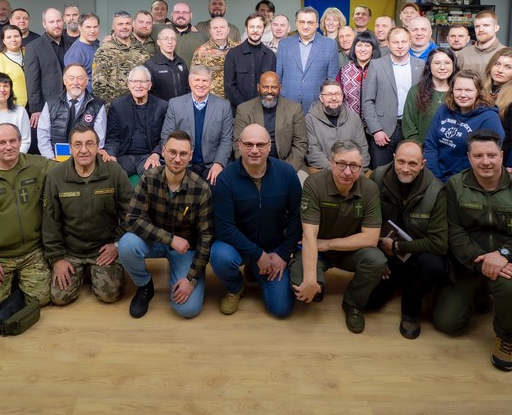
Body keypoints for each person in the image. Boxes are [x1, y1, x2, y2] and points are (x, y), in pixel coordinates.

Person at [433, 130, 512, 372]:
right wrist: (480, 261)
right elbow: (454, 232)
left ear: (501, 156)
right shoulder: (455, 186)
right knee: (447, 323)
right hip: (471, 262)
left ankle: (508, 338)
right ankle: (482, 293)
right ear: (469, 157)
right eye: (478, 156)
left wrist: (505, 254)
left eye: (491, 155)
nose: (485, 161)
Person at [291, 140, 385, 334]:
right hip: (317, 250)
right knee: (302, 286)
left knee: (377, 260)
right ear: (330, 162)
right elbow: (309, 235)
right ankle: (318, 283)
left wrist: (327, 244)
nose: (347, 172)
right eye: (341, 164)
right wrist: (310, 280)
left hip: (349, 251)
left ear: (361, 166)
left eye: (354, 166)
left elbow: (370, 239)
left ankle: (353, 303)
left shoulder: (369, 188)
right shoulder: (314, 183)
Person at [0, 123, 56, 315]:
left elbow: (67, 168)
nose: (8, 146)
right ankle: (11, 284)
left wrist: (97, 156)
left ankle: (17, 284)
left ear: (20, 142)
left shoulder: (36, 165)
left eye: (13, 141)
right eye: (2, 142)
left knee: (41, 300)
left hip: (32, 252)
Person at [210, 124, 302, 317]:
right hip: (238, 247)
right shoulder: (225, 179)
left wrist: (284, 254)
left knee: (281, 309)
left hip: (274, 248)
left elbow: (297, 218)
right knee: (220, 256)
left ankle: (254, 270)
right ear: (239, 145)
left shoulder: (287, 174)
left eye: (260, 145)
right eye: (248, 144)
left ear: (269, 146)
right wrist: (258, 254)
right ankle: (236, 287)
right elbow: (224, 227)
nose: (254, 150)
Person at [119, 130, 213, 319]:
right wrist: (170, 239)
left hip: (185, 249)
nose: (177, 159)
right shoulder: (149, 178)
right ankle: (145, 286)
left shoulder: (201, 189)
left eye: (183, 154)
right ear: (163, 152)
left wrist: (190, 279)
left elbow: (206, 238)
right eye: (172, 152)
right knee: (126, 244)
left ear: (190, 156)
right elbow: (132, 220)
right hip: (155, 241)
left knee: (188, 309)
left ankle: (179, 271)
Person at [43, 126, 132, 306]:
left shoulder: (114, 171)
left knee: (108, 296)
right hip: (71, 250)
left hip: (103, 249)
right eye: (78, 144)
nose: (84, 150)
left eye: (90, 144)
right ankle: (85, 271)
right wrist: (57, 258)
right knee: (59, 298)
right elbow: (50, 220)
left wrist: (117, 244)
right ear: (70, 148)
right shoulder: (56, 176)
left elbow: (130, 212)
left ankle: (94, 271)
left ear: (98, 147)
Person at [367, 141, 447, 339]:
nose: (405, 168)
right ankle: (397, 280)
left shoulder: (437, 191)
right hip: (385, 251)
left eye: (413, 163)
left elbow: (439, 243)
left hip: (417, 254)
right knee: (368, 303)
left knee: (434, 265)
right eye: (401, 161)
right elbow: (366, 220)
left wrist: (398, 246)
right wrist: (378, 255)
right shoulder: (378, 177)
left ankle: (411, 306)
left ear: (423, 164)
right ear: (394, 158)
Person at [424, 69, 505, 182]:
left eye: (468, 90)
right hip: (435, 175)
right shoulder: (443, 110)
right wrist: (435, 176)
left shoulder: (489, 118)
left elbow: (486, 158)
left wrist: (455, 182)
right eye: (458, 89)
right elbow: (430, 145)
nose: (462, 95)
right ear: (452, 90)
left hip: (467, 180)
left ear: (478, 92)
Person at [362, 26, 425, 168]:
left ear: (410, 42)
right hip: (383, 130)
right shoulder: (376, 65)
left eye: (404, 41)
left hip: (411, 129)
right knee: (380, 172)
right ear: (388, 43)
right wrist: (376, 130)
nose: (400, 46)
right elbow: (367, 101)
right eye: (396, 42)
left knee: (408, 170)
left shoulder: (421, 66)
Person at [160, 65, 233, 185]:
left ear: (210, 83)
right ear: (190, 82)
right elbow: (166, 136)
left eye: (205, 80)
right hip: (183, 163)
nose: (201, 84)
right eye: (197, 80)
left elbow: (226, 139)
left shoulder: (223, 106)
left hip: (211, 165)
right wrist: (177, 160)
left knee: (218, 187)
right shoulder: (175, 104)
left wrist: (218, 163)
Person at [232, 71, 307, 173]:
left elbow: (300, 144)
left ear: (280, 88)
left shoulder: (295, 109)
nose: (269, 91)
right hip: (253, 164)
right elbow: (238, 145)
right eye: (265, 87)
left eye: (274, 87)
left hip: (288, 164)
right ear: (258, 87)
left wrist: (285, 170)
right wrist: (256, 169)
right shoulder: (244, 110)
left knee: (302, 180)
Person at [104, 66, 168, 177]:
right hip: (123, 156)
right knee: (111, 176)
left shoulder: (162, 106)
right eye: (134, 81)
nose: (138, 85)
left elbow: (166, 137)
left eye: (143, 81)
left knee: (154, 177)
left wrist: (156, 153)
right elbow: (112, 137)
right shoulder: (117, 105)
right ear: (129, 84)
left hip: (149, 156)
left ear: (149, 85)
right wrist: (112, 156)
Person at [276, 6, 340, 113]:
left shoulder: (329, 45)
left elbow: (332, 80)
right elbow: (278, 77)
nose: (305, 26)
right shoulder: (284, 44)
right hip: (287, 104)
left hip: (317, 105)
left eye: (310, 22)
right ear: (296, 23)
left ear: (317, 24)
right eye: (302, 22)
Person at [37, 64, 106, 160]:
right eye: (71, 78)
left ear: (86, 81)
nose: (75, 82)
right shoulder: (51, 103)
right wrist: (50, 157)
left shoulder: (97, 105)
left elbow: (99, 140)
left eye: (80, 78)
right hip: (55, 158)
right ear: (65, 81)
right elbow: (43, 135)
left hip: (85, 158)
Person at [25, 7, 72, 132]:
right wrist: (35, 108)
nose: (56, 25)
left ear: (63, 21)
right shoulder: (33, 47)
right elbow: (32, 80)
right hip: (47, 105)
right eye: (51, 22)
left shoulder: (71, 44)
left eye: (58, 21)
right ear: (44, 24)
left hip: (71, 102)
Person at [93, 11, 154, 105]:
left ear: (132, 25)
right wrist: (112, 108)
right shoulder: (104, 51)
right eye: (120, 24)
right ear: (113, 27)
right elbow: (99, 86)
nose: (124, 27)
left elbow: (149, 80)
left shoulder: (141, 50)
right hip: (114, 108)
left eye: (127, 24)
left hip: (140, 106)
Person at [305, 80, 367, 172]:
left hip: (352, 170)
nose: (334, 98)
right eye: (329, 94)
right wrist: (336, 170)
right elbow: (312, 151)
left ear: (342, 96)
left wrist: (356, 170)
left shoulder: (354, 117)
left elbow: (362, 148)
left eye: (338, 94)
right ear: (321, 98)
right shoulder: (310, 119)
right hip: (324, 170)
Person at [484, 48, 512, 169]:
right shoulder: (479, 91)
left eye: (508, 67)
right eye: (497, 64)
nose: (500, 70)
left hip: (503, 159)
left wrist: (506, 170)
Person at [402, 46, 456, 144]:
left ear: (453, 66)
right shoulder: (416, 91)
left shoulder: (460, 93)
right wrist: (419, 148)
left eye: (447, 63)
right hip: (422, 149)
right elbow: (409, 125)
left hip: (453, 150)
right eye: (437, 63)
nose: (442, 67)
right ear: (429, 66)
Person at [224, 13, 276, 110]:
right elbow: (229, 86)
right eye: (252, 27)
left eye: (259, 27)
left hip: (264, 110)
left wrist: (260, 107)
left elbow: (273, 86)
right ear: (246, 28)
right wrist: (244, 107)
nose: (255, 30)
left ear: (264, 29)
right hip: (239, 111)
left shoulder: (270, 56)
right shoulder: (233, 54)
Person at [191, 17, 238, 100]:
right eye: (215, 28)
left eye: (222, 27)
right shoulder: (201, 52)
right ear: (210, 31)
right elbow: (194, 78)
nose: (218, 30)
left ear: (228, 30)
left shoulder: (238, 49)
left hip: (235, 99)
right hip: (212, 100)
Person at [338, 30, 380, 119]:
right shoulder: (344, 70)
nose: (363, 49)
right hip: (349, 122)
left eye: (367, 45)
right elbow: (338, 97)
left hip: (374, 122)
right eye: (359, 45)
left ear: (373, 49)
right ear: (354, 48)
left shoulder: (380, 70)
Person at [0, 25, 28, 108]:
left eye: (16, 36)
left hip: (35, 106)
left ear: (21, 38)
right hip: (11, 106)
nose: (13, 39)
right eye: (9, 37)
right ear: (3, 40)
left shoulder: (29, 54)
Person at [145, 27, 190, 101]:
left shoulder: (181, 62)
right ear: (159, 42)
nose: (170, 42)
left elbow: (188, 87)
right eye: (166, 39)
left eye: (173, 39)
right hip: (161, 107)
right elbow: (148, 94)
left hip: (181, 106)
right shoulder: (150, 65)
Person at [456, 10, 505, 77]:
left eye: (486, 25)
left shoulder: (506, 53)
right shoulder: (463, 54)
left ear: (496, 28)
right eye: (477, 26)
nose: (481, 29)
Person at [63, 13, 100, 81]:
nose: (93, 31)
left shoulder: (97, 46)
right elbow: (74, 83)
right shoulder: (74, 54)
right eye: (88, 27)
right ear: (80, 28)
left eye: (95, 27)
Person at [169, 1, 207, 66]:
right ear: (172, 14)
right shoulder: (159, 30)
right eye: (177, 12)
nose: (181, 15)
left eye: (185, 12)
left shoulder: (201, 38)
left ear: (191, 15)